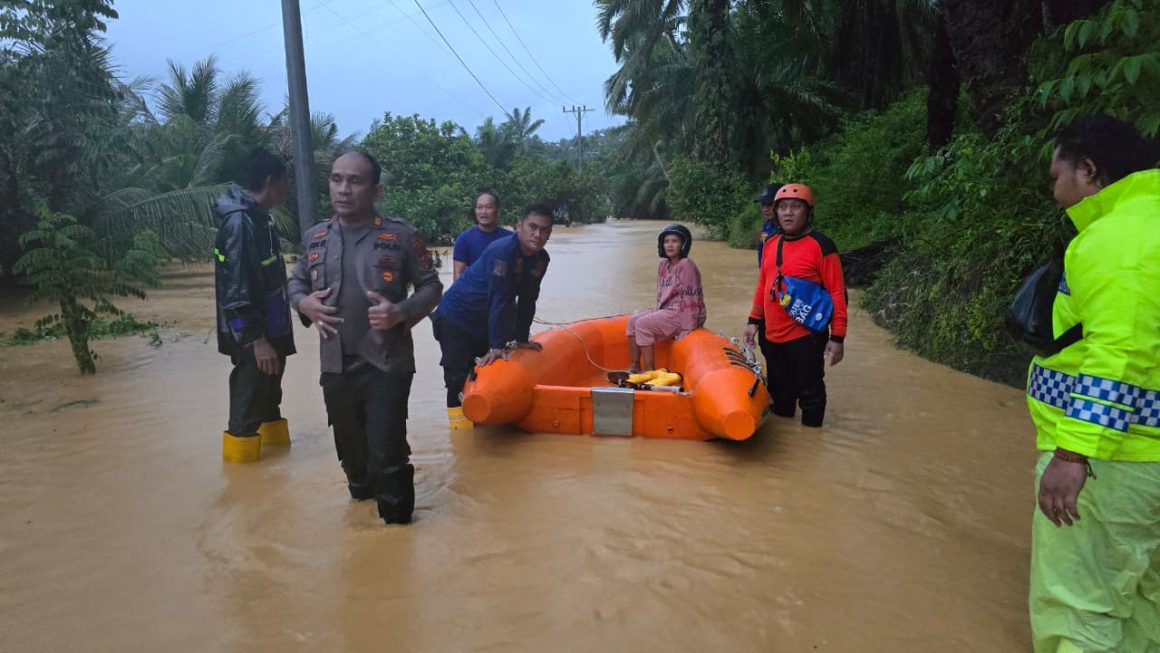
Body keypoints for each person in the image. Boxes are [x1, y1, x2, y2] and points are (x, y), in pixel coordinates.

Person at [1024, 116, 1160, 652]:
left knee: (1079, 606)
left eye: (1058, 179)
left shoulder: (1119, 238)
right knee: (1143, 603)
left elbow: (1120, 350)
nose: (1056, 194)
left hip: (1115, 464)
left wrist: (1074, 453)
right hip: (1143, 464)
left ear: (1088, 171)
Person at [288, 151, 442, 525]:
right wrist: (303, 303)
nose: (343, 189)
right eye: (336, 179)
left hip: (385, 362)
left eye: (354, 181)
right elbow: (295, 281)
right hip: (336, 363)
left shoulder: (401, 236)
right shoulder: (315, 238)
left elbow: (431, 286)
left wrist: (400, 313)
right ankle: (361, 518)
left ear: (375, 190)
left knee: (387, 453)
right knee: (351, 455)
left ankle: (397, 535)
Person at [431, 204, 554, 429]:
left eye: (545, 230)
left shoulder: (541, 259)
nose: (538, 235)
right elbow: (501, 298)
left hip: (484, 320)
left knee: (482, 375)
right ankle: (461, 438)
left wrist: (521, 338)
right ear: (519, 226)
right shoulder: (503, 252)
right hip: (456, 317)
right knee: (457, 378)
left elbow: (528, 299)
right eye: (533, 227)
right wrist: (497, 345)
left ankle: (482, 426)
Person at [214, 147, 295, 463]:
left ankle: (272, 483)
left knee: (269, 399)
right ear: (272, 181)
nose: (288, 187)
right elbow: (236, 290)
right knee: (247, 407)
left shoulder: (261, 219)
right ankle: (241, 482)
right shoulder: (240, 223)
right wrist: (256, 340)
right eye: (286, 180)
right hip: (252, 333)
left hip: (270, 327)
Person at [743, 183, 847, 428]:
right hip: (772, 333)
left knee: (810, 394)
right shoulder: (770, 243)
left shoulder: (822, 246)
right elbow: (763, 284)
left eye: (795, 207)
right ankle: (789, 454)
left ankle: (812, 445)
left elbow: (837, 293)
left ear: (808, 211)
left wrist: (838, 337)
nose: (788, 213)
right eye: (783, 207)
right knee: (780, 397)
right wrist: (753, 321)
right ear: (776, 212)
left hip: (806, 335)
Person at [626, 224, 706, 372]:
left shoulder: (686, 265)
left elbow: (691, 296)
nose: (669, 245)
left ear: (683, 244)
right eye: (666, 241)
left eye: (674, 241)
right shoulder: (663, 265)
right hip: (667, 309)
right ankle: (635, 365)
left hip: (681, 312)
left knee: (643, 324)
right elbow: (662, 294)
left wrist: (688, 327)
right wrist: (656, 312)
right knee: (632, 321)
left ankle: (650, 369)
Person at [452, 191, 511, 283]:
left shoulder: (510, 239)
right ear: (475, 211)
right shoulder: (464, 239)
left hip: (502, 292)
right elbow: (458, 276)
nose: (483, 212)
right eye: (479, 207)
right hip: (474, 292)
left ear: (498, 211)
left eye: (488, 207)